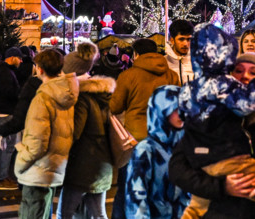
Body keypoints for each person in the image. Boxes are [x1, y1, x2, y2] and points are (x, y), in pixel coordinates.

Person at [171, 52, 255, 218]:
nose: (245, 76)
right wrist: (221, 186)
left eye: (253, 73)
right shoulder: (208, 119)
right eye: (238, 71)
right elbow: (178, 169)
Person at [110, 38, 180, 219]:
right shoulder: (172, 76)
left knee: (126, 189)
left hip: (135, 140)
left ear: (136, 54)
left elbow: (115, 107)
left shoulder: (129, 76)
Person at [15, 48, 80, 219]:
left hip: (38, 169)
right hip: (54, 166)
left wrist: (20, 163)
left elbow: (36, 142)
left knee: (32, 212)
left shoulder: (43, 98)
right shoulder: (66, 93)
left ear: (40, 69)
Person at [58, 42, 115, 219]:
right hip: (102, 163)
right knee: (98, 214)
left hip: (82, 166)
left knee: (65, 213)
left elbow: (74, 132)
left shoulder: (81, 98)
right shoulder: (102, 93)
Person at [125, 85, 189, 219]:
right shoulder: (146, 150)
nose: (181, 114)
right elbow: (136, 197)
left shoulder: (186, 146)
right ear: (161, 110)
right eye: (174, 109)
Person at [0, 46, 24, 191]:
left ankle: (3, 175)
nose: (21, 61)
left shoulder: (2, 70)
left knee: (4, 145)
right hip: (7, 112)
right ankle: (3, 178)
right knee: (8, 147)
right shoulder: (5, 72)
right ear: (12, 58)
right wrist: (20, 95)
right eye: (19, 58)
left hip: (2, 110)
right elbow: (8, 92)